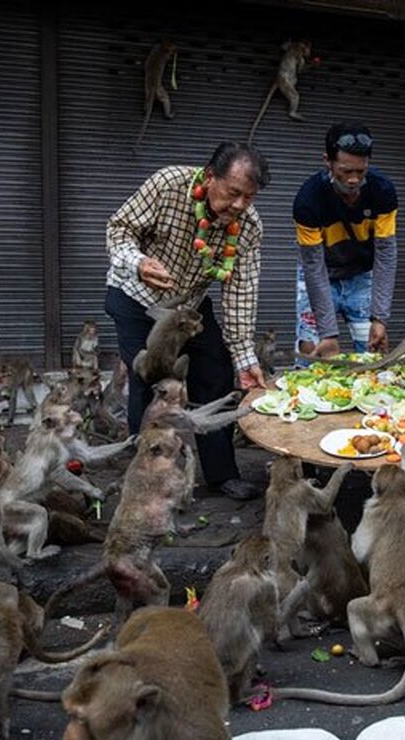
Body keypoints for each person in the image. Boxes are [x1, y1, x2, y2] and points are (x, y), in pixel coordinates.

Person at [104, 141, 269, 501]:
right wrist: (138, 263)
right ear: (210, 177)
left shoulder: (249, 227)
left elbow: (241, 292)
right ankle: (148, 480)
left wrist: (245, 358)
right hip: (136, 297)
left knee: (217, 373)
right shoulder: (169, 184)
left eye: (249, 198)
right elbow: (119, 229)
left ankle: (222, 473)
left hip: (187, 305)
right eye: (233, 193)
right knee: (151, 381)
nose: (239, 206)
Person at [293, 122, 398, 358]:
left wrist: (380, 317)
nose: (353, 179)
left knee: (371, 357)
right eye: (345, 171)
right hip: (321, 275)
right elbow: (313, 265)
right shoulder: (307, 201)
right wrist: (328, 333)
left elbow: (386, 255)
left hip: (361, 276)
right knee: (312, 356)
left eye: (360, 172)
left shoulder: (384, 192)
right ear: (327, 161)